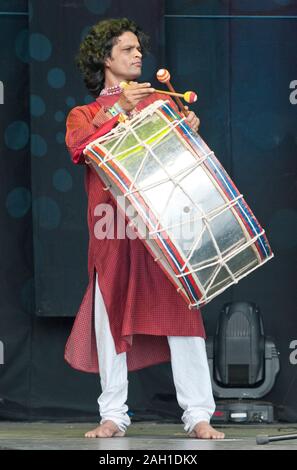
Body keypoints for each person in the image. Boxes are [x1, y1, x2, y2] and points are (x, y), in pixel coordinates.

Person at [65, 17, 224, 440]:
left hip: (161, 228)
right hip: (112, 230)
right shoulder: (84, 114)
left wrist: (189, 131)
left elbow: (186, 166)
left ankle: (198, 415)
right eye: (128, 50)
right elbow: (80, 148)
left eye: (139, 49)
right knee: (109, 321)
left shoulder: (159, 103)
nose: (139, 56)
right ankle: (113, 414)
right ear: (105, 59)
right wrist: (119, 109)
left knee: (183, 318)